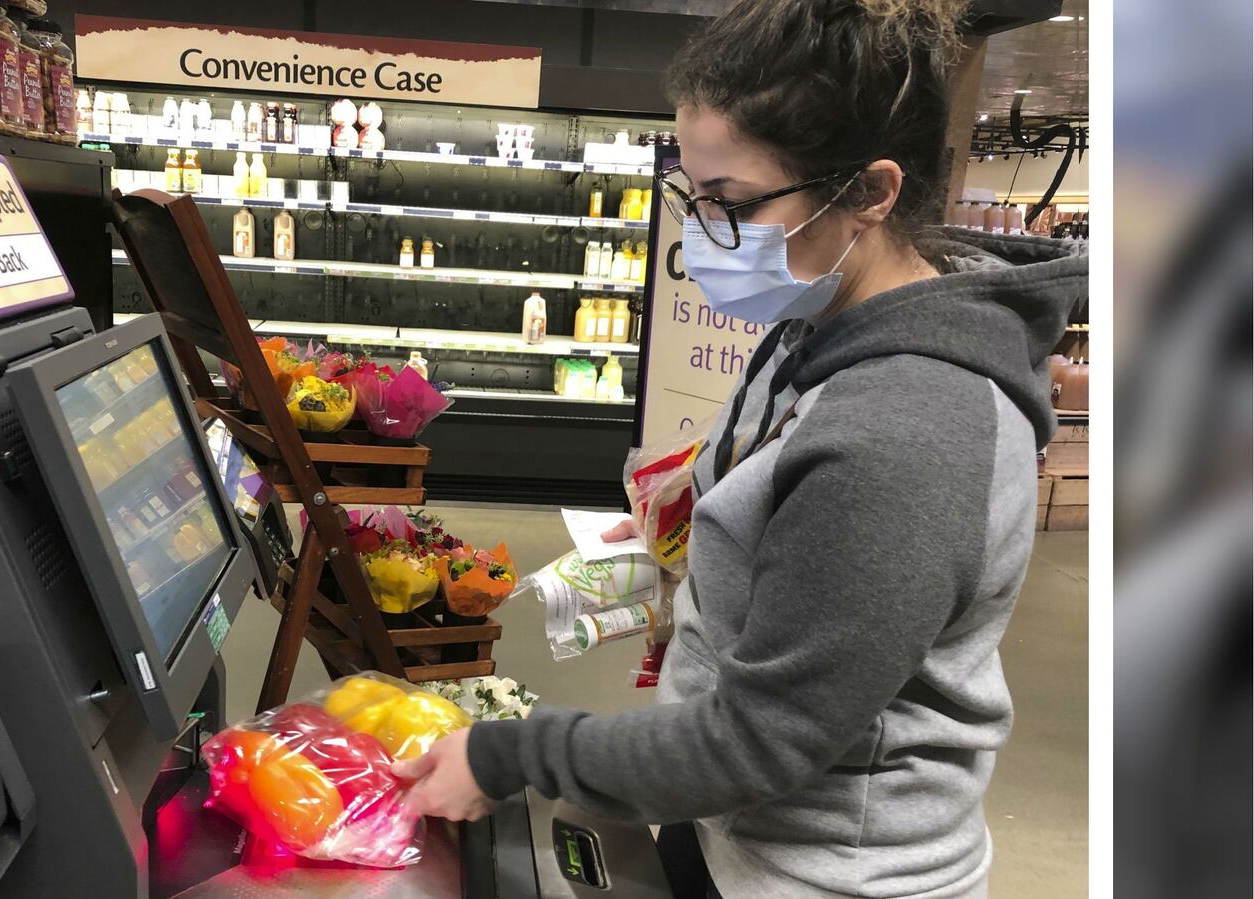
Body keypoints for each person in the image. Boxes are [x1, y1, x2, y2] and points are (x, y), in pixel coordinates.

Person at [390, 0, 1087, 896]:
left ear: (869, 193)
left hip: (825, 872)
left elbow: (763, 740)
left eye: (731, 204)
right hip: (734, 829)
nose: (703, 236)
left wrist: (508, 752)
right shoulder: (820, 318)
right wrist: (690, 543)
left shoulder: (904, 435)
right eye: (692, 197)